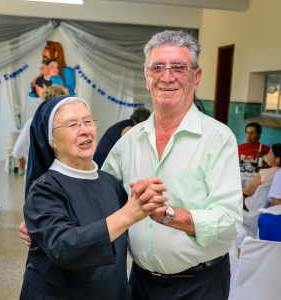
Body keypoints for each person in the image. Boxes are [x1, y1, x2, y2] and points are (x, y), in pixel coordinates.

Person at [20, 30, 243, 300]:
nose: (167, 76)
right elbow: (97, 197)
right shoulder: (129, 143)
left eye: (178, 67)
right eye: (157, 67)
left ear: (196, 77)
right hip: (139, 284)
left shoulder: (218, 139)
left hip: (199, 284)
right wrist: (46, 220)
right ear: (147, 78)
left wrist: (171, 215)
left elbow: (229, 221)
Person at [19, 95, 168, 299]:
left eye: (88, 121)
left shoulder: (110, 183)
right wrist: (128, 214)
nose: (85, 130)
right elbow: (64, 247)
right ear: (51, 138)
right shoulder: (44, 190)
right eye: (72, 124)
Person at [13, 85, 68, 172]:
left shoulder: (32, 122)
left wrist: (21, 159)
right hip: (62, 171)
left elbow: (17, 150)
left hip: (35, 171)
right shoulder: (69, 123)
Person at [243, 144, 281, 211]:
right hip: (267, 209)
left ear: (277, 159)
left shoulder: (264, 173)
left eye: (270, 153)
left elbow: (248, 192)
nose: (267, 155)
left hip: (251, 208)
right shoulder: (278, 173)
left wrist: (238, 186)